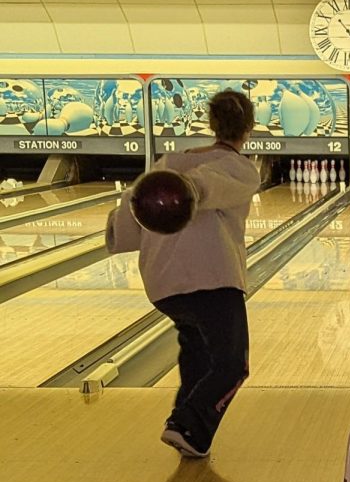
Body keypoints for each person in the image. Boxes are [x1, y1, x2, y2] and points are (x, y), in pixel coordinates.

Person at [106, 90, 260, 458]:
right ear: (249, 128)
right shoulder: (240, 168)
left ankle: (188, 435)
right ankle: (186, 424)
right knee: (232, 364)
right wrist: (190, 190)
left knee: (197, 351)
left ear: (211, 123)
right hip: (211, 279)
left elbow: (132, 209)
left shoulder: (165, 164)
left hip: (164, 285)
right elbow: (212, 183)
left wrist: (117, 228)